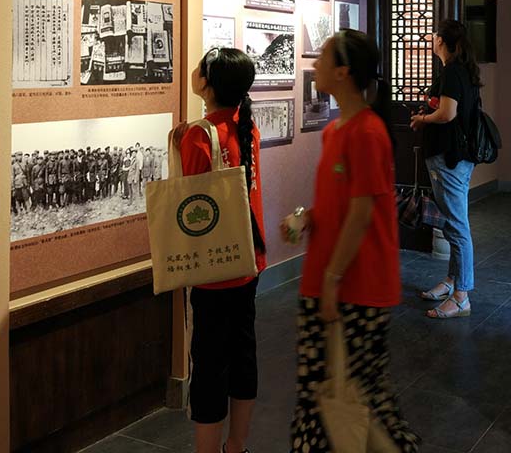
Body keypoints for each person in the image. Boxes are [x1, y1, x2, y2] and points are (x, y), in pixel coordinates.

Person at [284, 29, 420, 452]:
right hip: (328, 281)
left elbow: (362, 215)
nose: (315, 63)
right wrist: (306, 218)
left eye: (323, 55)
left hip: (356, 286)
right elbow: (339, 205)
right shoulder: (335, 131)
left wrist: (332, 279)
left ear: (343, 72)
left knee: (363, 396)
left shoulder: (368, 132)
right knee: (321, 393)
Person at [172, 47, 267, 453]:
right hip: (248, 260)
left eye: (200, 68)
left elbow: (191, 206)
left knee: (209, 365)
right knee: (243, 355)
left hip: (213, 269)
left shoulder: (199, 135)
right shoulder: (247, 127)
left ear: (208, 85)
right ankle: (237, 445)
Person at [410, 19, 481, 319]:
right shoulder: (462, 70)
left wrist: (422, 119)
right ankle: (452, 281)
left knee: (456, 225)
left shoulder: (452, 71)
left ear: (441, 41)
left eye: (434, 35)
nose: (431, 38)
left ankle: (462, 295)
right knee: (454, 222)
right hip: (456, 157)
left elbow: (448, 114)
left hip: (450, 158)